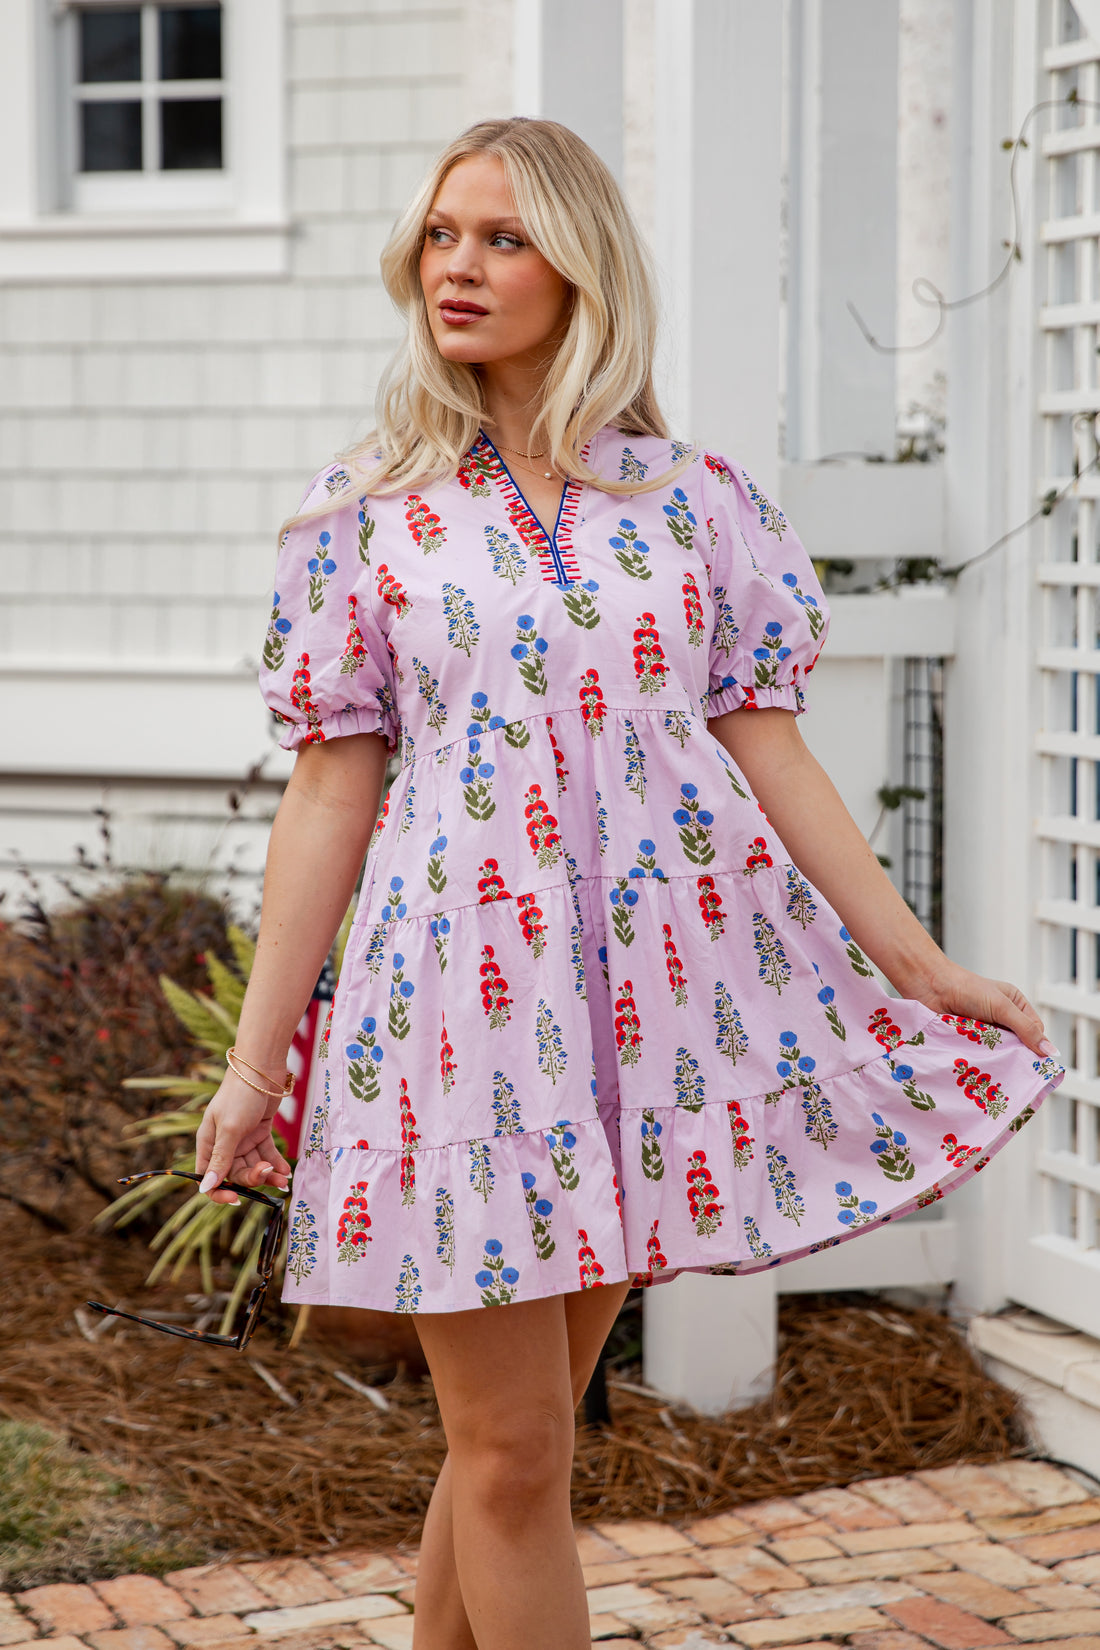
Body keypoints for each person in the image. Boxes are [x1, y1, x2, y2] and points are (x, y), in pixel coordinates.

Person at [194, 117, 1063, 1650]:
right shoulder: (366, 513)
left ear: (583, 268)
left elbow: (773, 753)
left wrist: (918, 964)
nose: (458, 266)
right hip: (459, 1017)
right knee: (515, 1450)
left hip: (649, 1019)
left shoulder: (694, 502)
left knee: (512, 1446)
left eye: (504, 237)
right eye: (442, 234)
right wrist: (259, 1064)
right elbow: (330, 791)